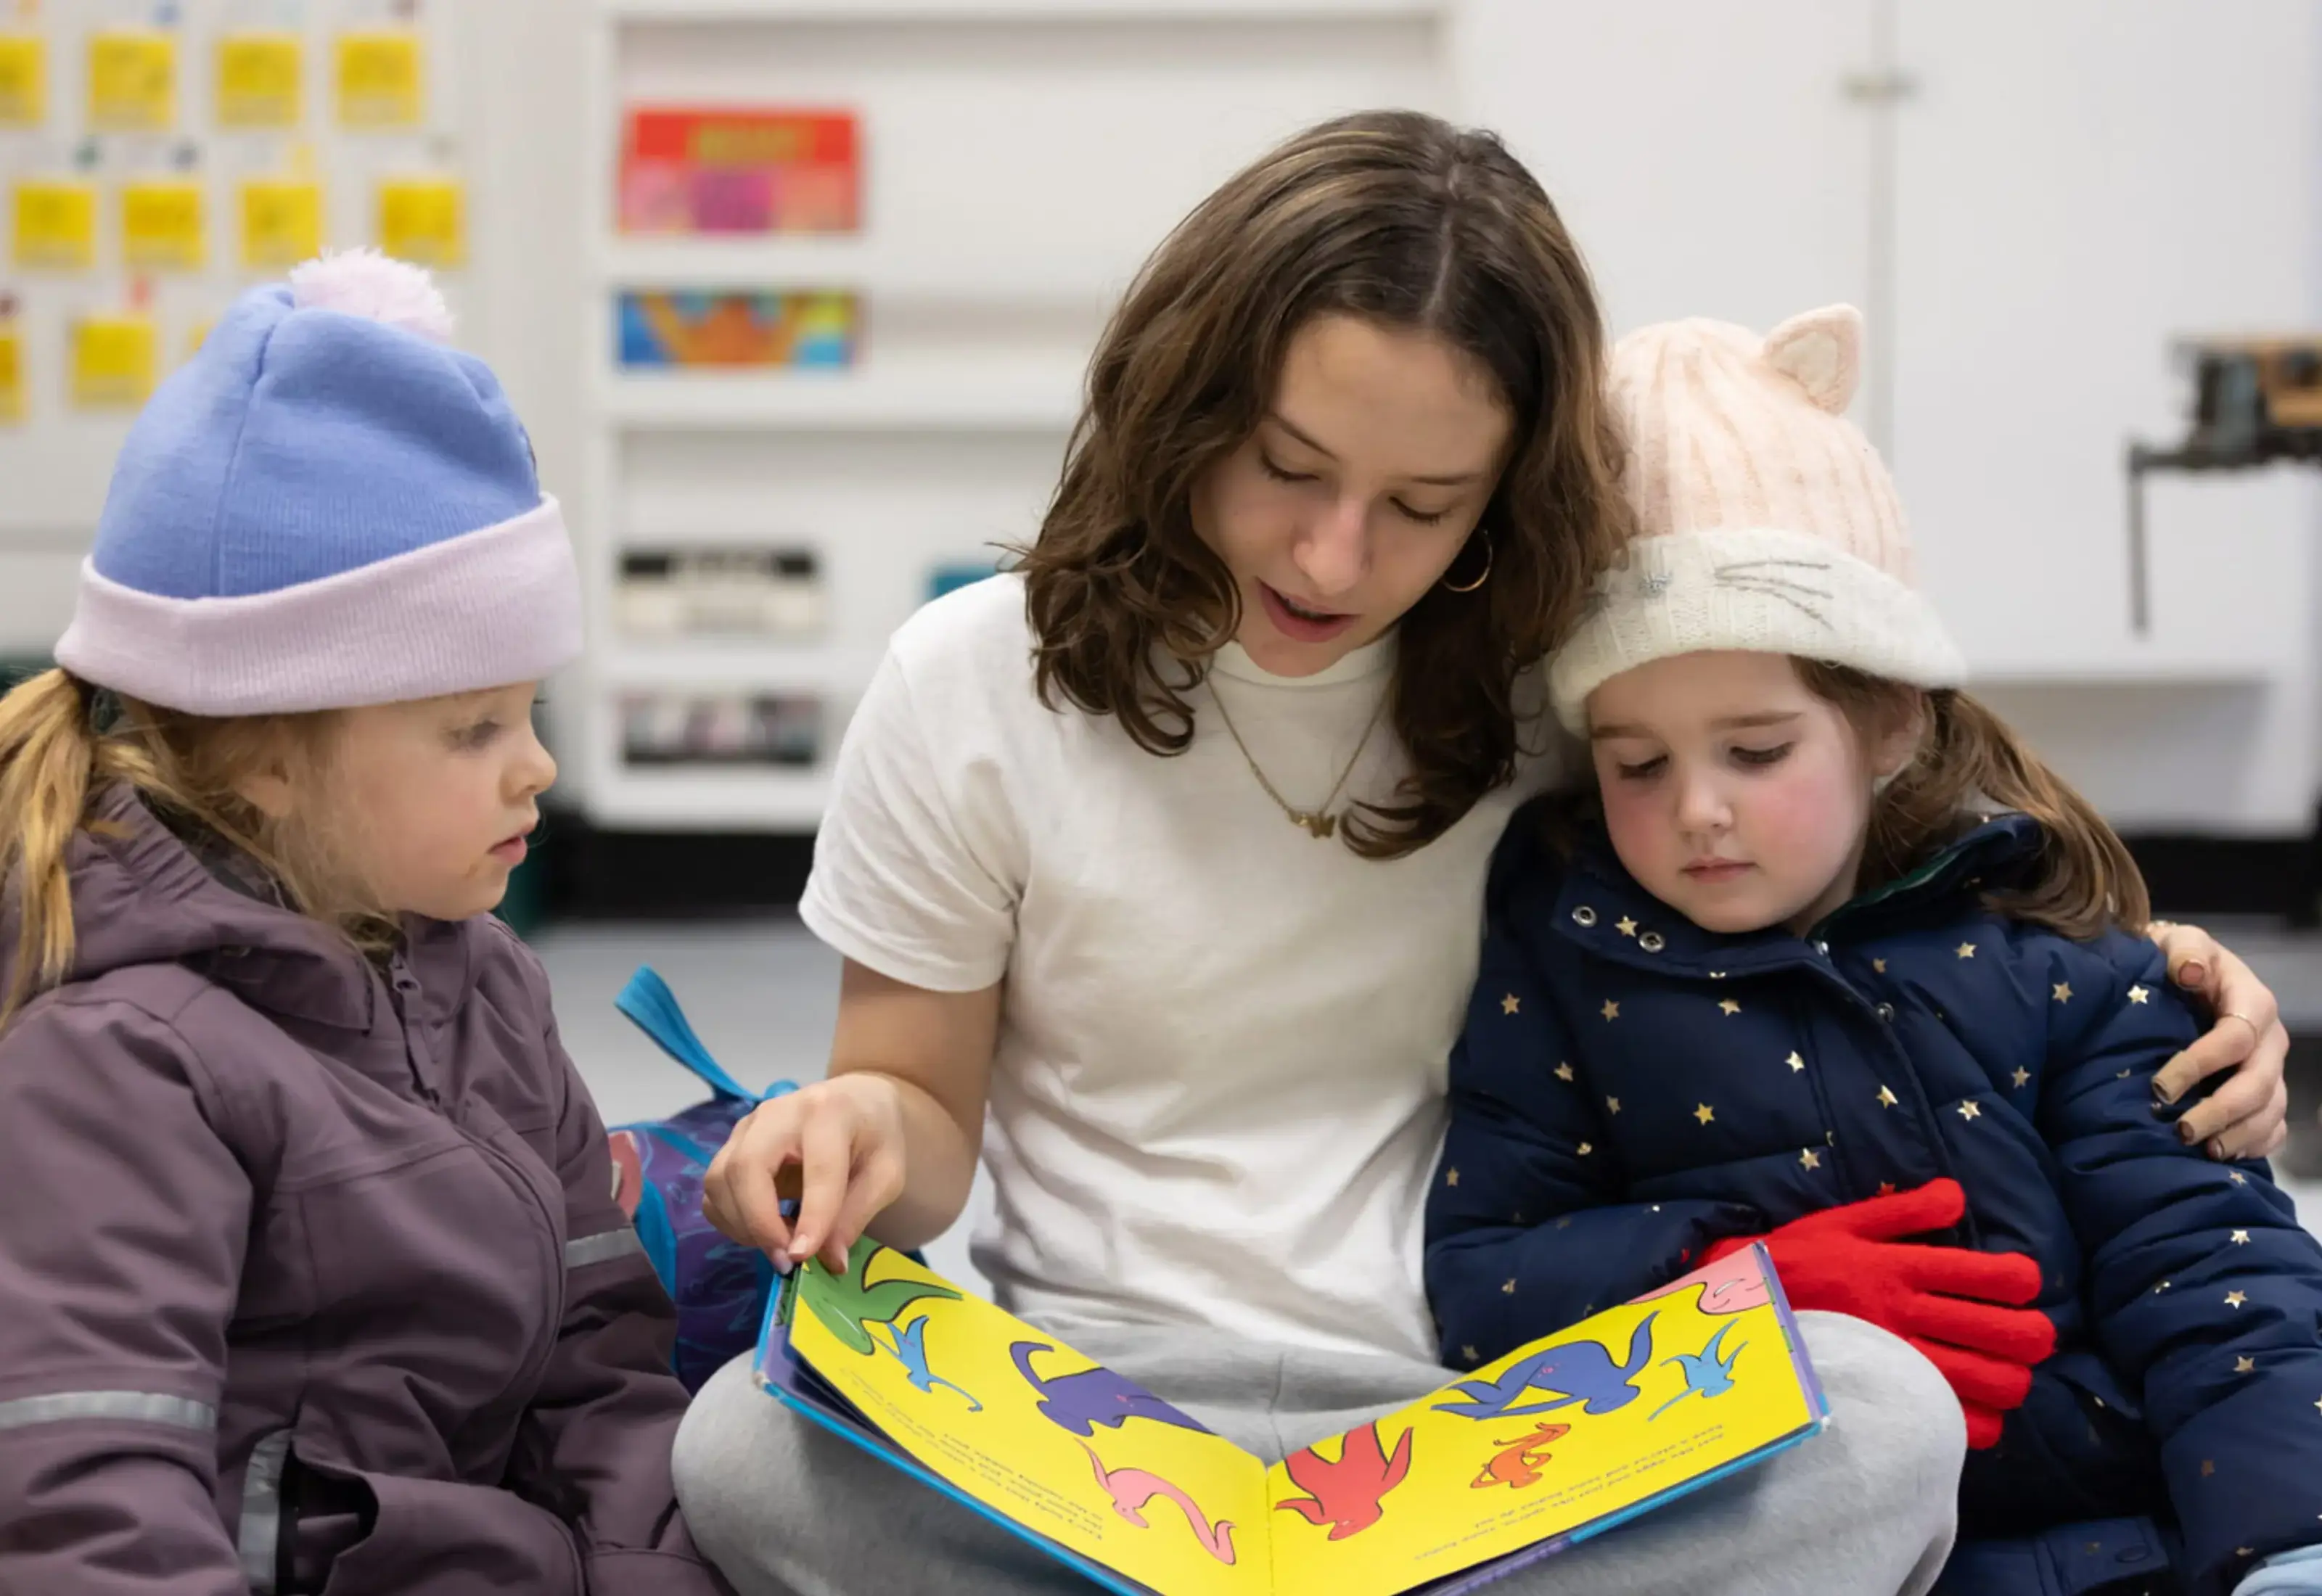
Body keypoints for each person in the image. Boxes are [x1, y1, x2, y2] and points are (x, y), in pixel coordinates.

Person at [672, 112, 2292, 1595]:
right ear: (1185, 402)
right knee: (740, 1448)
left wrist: (2172, 969)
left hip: (1497, 1416)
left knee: (1882, 1419)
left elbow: (1876, 788)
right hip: (1092, 1409)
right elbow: (922, 1111)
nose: (1332, 554)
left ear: (1506, 504)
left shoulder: (1566, 690)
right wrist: (844, 1129)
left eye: (1423, 505)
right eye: (1288, 470)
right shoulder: (967, 680)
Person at [1426, 304, 2322, 1596]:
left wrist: (2284, 1547)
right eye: (1637, 763)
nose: (1697, 809)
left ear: (1888, 719)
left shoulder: (2065, 964)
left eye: (1756, 749)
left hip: (2117, 1550)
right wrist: (1727, 1284)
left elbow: (2214, 1281)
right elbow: (1484, 1277)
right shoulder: (1568, 956)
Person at [0, 252, 729, 1595]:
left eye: (531, 713)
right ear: (268, 757)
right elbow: (88, 1501)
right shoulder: (122, 1059)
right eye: (470, 729)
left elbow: (601, 1364)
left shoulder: (485, 981)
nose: (536, 769)